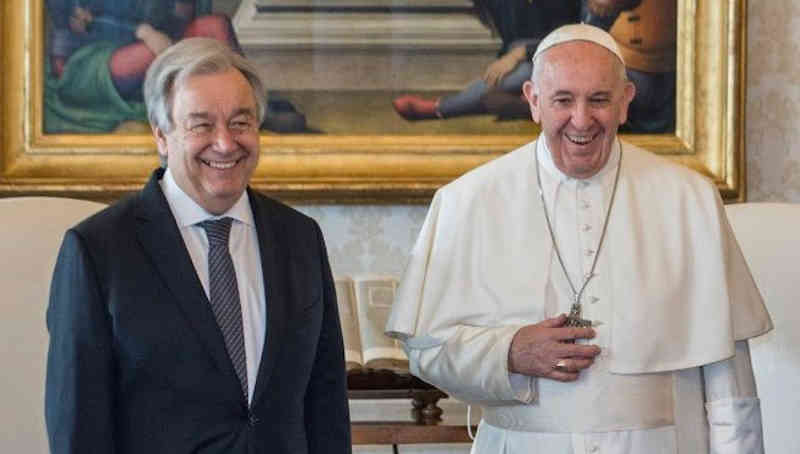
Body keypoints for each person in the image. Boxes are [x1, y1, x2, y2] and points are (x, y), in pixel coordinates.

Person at [386, 24, 771, 453]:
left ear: (626, 101)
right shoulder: (468, 200)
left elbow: (730, 381)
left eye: (599, 100)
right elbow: (426, 350)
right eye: (563, 100)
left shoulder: (688, 199)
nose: (582, 120)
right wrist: (509, 351)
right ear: (533, 101)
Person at [45, 38, 351, 454]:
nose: (225, 143)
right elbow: (79, 429)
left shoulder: (300, 239)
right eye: (202, 124)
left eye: (240, 122)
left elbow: (325, 402)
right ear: (161, 135)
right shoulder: (97, 251)